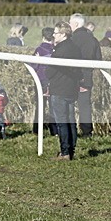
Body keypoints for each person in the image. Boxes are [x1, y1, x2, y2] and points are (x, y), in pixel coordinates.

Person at [46, 22, 83, 160]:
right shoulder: (75, 48)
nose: (54, 36)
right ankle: (71, 150)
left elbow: (50, 71)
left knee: (62, 122)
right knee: (71, 121)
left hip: (59, 89)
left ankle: (65, 152)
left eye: (55, 33)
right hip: (71, 88)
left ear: (63, 34)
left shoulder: (60, 50)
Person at [70, 13, 102, 138]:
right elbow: (98, 59)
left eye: (70, 23)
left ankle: (70, 130)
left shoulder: (71, 39)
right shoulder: (93, 39)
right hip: (87, 76)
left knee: (68, 104)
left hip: (72, 76)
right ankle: (87, 132)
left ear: (76, 24)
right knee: (85, 106)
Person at [31, 27, 56, 135]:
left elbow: (33, 66)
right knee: (53, 106)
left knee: (40, 105)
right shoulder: (56, 50)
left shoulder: (39, 50)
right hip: (53, 80)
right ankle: (54, 131)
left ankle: (37, 129)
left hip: (40, 80)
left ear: (43, 37)